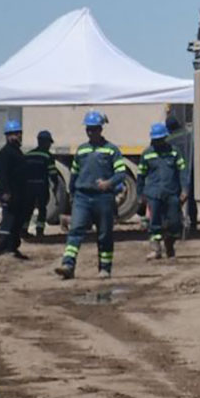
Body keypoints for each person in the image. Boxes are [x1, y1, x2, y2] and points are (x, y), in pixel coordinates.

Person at [56, 112, 132, 280]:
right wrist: (72, 195)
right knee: (75, 230)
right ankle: (68, 264)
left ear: (100, 129)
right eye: (89, 129)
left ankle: (105, 268)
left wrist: (109, 183)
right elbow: (74, 175)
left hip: (103, 198)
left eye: (94, 129)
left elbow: (121, 173)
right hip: (82, 197)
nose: (91, 133)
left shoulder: (111, 150)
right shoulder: (82, 150)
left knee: (104, 234)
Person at [139, 122, 188, 259]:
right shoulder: (147, 154)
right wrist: (140, 194)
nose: (158, 142)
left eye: (161, 139)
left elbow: (182, 172)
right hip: (153, 194)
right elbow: (141, 176)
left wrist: (185, 189)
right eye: (156, 139)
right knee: (154, 222)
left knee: (174, 223)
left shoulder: (174, 152)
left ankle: (169, 245)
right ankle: (156, 249)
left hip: (172, 193)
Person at [0, 121, 28, 258]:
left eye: (18, 133)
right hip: (9, 193)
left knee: (17, 221)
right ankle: (3, 247)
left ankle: (13, 246)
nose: (17, 136)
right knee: (8, 221)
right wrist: (5, 192)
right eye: (13, 134)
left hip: (19, 194)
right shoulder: (5, 153)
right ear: (7, 136)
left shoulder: (17, 152)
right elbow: (2, 174)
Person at [24, 130, 56, 239]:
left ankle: (24, 230)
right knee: (42, 209)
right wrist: (55, 184)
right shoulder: (47, 156)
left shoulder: (28, 154)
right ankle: (39, 231)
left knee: (28, 208)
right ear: (46, 142)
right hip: (41, 186)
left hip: (28, 187)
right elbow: (52, 173)